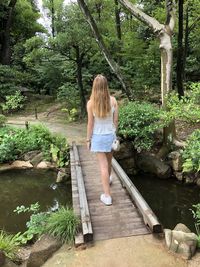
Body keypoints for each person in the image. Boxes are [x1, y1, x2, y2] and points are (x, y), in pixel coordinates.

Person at [86, 74, 118, 206]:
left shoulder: (91, 103)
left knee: (103, 166)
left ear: (94, 86)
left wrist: (88, 139)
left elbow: (90, 124)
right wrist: (114, 134)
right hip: (110, 136)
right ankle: (109, 180)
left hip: (98, 138)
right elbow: (115, 121)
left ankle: (107, 196)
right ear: (106, 86)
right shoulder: (113, 100)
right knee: (109, 162)